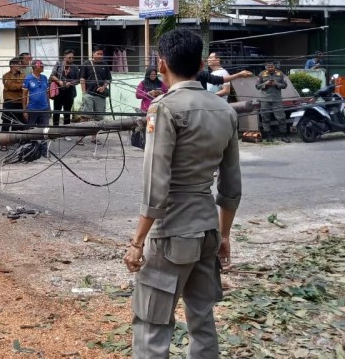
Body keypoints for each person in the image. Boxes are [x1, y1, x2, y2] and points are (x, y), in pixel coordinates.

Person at [123, 29, 241, 359]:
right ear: (202, 64)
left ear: (161, 65)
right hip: (207, 230)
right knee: (202, 321)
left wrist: (137, 242)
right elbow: (231, 186)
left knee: (152, 324)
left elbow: (155, 186)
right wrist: (225, 235)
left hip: (172, 232)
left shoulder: (164, 109)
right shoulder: (226, 112)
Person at [80, 47, 112, 144]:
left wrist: (103, 87)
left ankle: (94, 138)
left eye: (101, 54)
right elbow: (82, 79)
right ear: (93, 54)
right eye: (98, 53)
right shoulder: (86, 64)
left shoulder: (105, 65)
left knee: (98, 118)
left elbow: (108, 79)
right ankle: (80, 138)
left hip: (100, 96)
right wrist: (84, 93)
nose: (100, 56)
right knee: (85, 116)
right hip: (89, 94)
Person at [255, 60, 290, 142]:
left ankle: (283, 136)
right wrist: (265, 84)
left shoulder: (280, 74)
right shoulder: (262, 74)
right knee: (265, 118)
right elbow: (257, 86)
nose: (270, 68)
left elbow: (285, 85)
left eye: (271, 67)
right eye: (268, 67)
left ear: (274, 66)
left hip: (276, 99)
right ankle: (268, 136)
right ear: (266, 67)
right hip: (265, 99)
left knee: (281, 117)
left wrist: (276, 84)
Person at [50, 49, 81, 131]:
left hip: (70, 92)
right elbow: (52, 75)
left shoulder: (75, 67)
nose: (71, 59)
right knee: (57, 111)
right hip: (59, 91)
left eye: (72, 57)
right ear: (64, 57)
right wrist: (59, 81)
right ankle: (55, 130)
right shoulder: (58, 64)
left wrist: (70, 83)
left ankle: (66, 131)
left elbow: (78, 79)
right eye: (69, 57)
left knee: (67, 112)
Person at [0, 58, 26, 150]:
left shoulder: (23, 75)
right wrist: (20, 85)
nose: (20, 66)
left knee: (19, 123)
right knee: (6, 122)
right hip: (9, 102)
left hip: (20, 102)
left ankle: (16, 141)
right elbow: (10, 86)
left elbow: (25, 85)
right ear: (12, 65)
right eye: (18, 64)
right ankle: (4, 143)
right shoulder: (6, 75)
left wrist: (19, 85)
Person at [23, 59, 50, 127]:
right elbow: (24, 95)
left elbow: (47, 94)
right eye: (41, 66)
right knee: (30, 131)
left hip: (44, 109)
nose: (43, 67)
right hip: (32, 109)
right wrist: (24, 111)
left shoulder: (44, 78)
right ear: (35, 67)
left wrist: (49, 107)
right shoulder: (27, 78)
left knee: (44, 131)